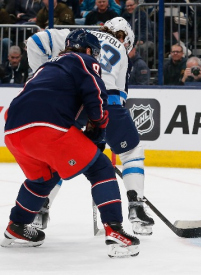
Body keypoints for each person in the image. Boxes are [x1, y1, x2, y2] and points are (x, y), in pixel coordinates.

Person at [0, 29, 139, 257]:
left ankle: (17, 226)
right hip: (47, 126)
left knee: (44, 178)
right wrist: (99, 130)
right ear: (87, 50)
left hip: (13, 130)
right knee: (101, 168)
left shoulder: (47, 66)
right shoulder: (84, 60)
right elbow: (96, 97)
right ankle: (115, 230)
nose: (95, 58)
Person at [30, 18, 155, 236]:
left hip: (73, 105)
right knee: (132, 152)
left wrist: (42, 72)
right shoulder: (122, 52)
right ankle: (136, 208)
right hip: (105, 103)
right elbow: (120, 98)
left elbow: (35, 42)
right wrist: (102, 136)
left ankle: (39, 211)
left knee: (58, 159)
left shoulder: (79, 34)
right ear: (125, 38)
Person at [122, 0, 154, 67]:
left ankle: (140, 68)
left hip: (144, 40)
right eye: (127, 6)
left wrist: (141, 39)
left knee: (140, 47)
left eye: (131, 5)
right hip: (129, 41)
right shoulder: (124, 16)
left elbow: (145, 29)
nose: (129, 7)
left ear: (137, 5)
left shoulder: (142, 15)